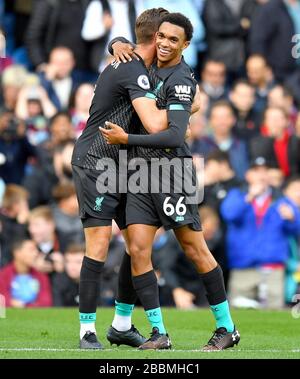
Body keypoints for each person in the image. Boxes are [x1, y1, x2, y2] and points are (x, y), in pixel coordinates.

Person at [101, 13, 239, 351]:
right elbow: (122, 45)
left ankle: (227, 328)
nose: (164, 43)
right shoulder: (148, 65)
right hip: (139, 173)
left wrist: (126, 140)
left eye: (173, 40)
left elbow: (176, 135)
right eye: (161, 36)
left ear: (186, 45)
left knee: (194, 249)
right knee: (136, 249)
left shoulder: (180, 78)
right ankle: (159, 333)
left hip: (172, 173)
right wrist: (116, 43)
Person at [71, 7, 171, 350]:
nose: (171, 45)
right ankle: (86, 331)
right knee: (98, 244)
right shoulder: (131, 67)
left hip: (124, 165)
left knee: (138, 244)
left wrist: (116, 41)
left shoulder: (133, 61)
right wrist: (183, 111)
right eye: (167, 38)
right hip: (97, 162)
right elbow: (156, 123)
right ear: (155, 39)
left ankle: (122, 325)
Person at [0, 239, 53, 308]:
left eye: (36, 250)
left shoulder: (41, 276)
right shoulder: (3, 275)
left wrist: (24, 306)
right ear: (17, 253)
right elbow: (2, 300)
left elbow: (46, 302)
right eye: (31, 250)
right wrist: (11, 303)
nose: (36, 253)